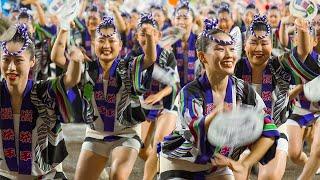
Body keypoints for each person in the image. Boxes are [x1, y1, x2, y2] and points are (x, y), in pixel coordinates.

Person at [158, 18, 279, 180]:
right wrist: (216, 115)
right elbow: (194, 131)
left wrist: (245, 163)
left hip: (217, 165)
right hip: (180, 163)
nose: (229, 55)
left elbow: (269, 130)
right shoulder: (189, 92)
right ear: (202, 57)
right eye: (220, 49)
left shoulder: (243, 91)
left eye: (231, 49)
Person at [50, 14, 157, 179]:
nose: (106, 45)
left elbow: (150, 58)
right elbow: (56, 57)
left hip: (126, 133)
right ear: (94, 43)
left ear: (120, 45)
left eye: (111, 41)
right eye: (101, 40)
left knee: (118, 176)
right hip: (96, 134)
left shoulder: (128, 66)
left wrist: (149, 36)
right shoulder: (85, 67)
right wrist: (64, 27)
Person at [235, 15, 315, 180]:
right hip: (242, 131)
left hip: (275, 129)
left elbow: (302, 53)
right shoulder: (236, 67)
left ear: (272, 45)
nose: (258, 48)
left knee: (269, 177)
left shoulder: (280, 67)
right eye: (253, 42)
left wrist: (302, 28)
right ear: (244, 45)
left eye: (264, 43)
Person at [0, 23, 83, 179]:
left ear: (32, 62)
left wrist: (76, 62)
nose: (11, 67)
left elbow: (70, 80)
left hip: (46, 175)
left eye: (18, 61)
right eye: (6, 60)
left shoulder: (43, 90)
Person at [135, 13, 179, 180]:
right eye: (142, 33)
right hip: (145, 106)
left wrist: (159, 94)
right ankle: (165, 169)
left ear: (158, 35)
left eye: (151, 32)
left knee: (159, 144)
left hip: (166, 105)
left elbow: (173, 84)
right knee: (141, 149)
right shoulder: (132, 56)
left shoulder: (167, 55)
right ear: (136, 36)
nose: (147, 36)